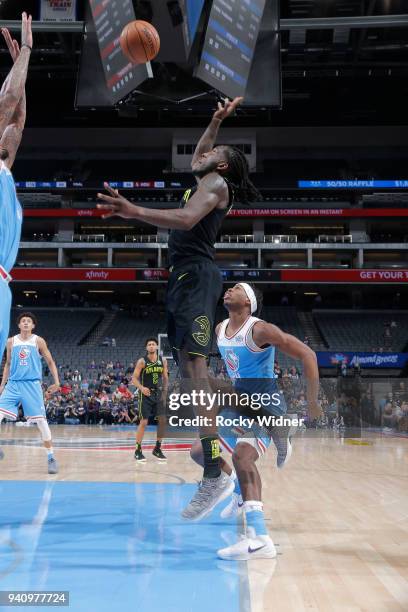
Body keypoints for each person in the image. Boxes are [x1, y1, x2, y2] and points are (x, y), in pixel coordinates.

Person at [97, 97, 262, 514]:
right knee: (193, 379)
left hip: (197, 276)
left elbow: (187, 220)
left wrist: (133, 210)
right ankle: (239, 435)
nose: (203, 153)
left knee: (194, 372)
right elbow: (196, 159)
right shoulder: (204, 177)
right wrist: (215, 119)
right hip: (184, 278)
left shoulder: (215, 185)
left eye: (214, 152)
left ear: (221, 167)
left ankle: (213, 474)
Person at [189, 283, 321, 559]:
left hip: (265, 406)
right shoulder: (219, 329)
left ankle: (260, 539)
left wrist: (312, 402)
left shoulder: (260, 330)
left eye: (236, 288)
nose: (228, 290)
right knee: (201, 451)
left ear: (248, 301)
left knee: (243, 457)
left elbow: (308, 355)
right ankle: (232, 485)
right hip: (239, 404)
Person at [0, 17, 33, 360]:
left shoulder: (5, 169)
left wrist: (19, 69)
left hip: (3, 282)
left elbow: (17, 118)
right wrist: (25, 50)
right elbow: (8, 100)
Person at [0, 312, 60, 473]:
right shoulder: (10, 341)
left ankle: (51, 458)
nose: (26, 323)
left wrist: (57, 382)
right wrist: (2, 384)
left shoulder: (38, 341)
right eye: (23, 321)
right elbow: (7, 364)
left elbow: (50, 361)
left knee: (41, 422)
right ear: (19, 325)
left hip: (32, 385)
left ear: (33, 325)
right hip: (13, 384)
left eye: (29, 321)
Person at [132, 338, 169, 462]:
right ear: (146, 348)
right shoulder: (142, 361)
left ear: (157, 346)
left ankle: (157, 449)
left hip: (158, 393)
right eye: (149, 344)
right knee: (144, 422)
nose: (152, 346)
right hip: (145, 394)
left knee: (163, 421)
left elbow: (165, 378)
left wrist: (164, 392)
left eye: (153, 344)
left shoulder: (162, 360)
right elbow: (134, 379)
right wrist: (141, 388)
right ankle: (138, 450)